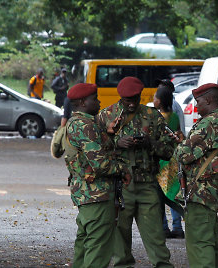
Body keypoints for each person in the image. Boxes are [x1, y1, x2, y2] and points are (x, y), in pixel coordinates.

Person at [97, 76, 175, 268]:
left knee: (156, 236)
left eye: (135, 99)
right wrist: (116, 142)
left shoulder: (153, 115)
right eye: (127, 100)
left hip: (147, 184)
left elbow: (170, 150)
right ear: (120, 97)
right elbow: (93, 151)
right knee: (120, 239)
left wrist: (151, 144)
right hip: (120, 186)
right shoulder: (106, 116)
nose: (131, 104)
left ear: (141, 95)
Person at [64, 83, 131, 267]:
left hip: (85, 194)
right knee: (98, 250)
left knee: (84, 247)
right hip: (97, 195)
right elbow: (100, 164)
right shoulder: (87, 126)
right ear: (84, 102)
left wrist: (109, 136)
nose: (99, 101)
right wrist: (122, 169)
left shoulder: (74, 123)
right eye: (95, 98)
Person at [173, 83, 218, 267]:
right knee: (210, 243)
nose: (196, 105)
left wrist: (181, 145)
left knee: (199, 245)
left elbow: (182, 155)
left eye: (198, 101)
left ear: (208, 99)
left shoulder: (209, 122)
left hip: (200, 192)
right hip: (211, 192)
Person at [153, 85, 185, 239]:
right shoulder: (174, 116)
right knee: (172, 194)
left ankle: (164, 228)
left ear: (159, 101)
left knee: (159, 197)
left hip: (161, 162)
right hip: (173, 161)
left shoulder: (158, 118)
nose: (153, 100)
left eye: (154, 98)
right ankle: (178, 227)